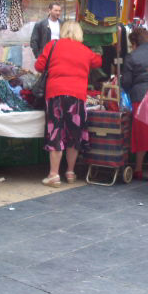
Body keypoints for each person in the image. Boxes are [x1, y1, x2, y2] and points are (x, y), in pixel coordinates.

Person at [34, 20, 102, 187]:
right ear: (80, 34)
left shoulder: (53, 45)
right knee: (74, 133)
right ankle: (70, 173)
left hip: (55, 93)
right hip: (77, 95)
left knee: (56, 131)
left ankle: (53, 175)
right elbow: (98, 62)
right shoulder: (85, 50)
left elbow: (39, 65)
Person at [121, 28, 148, 183]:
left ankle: (138, 169)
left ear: (134, 43)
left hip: (139, 96)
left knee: (140, 135)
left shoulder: (132, 56)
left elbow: (126, 82)